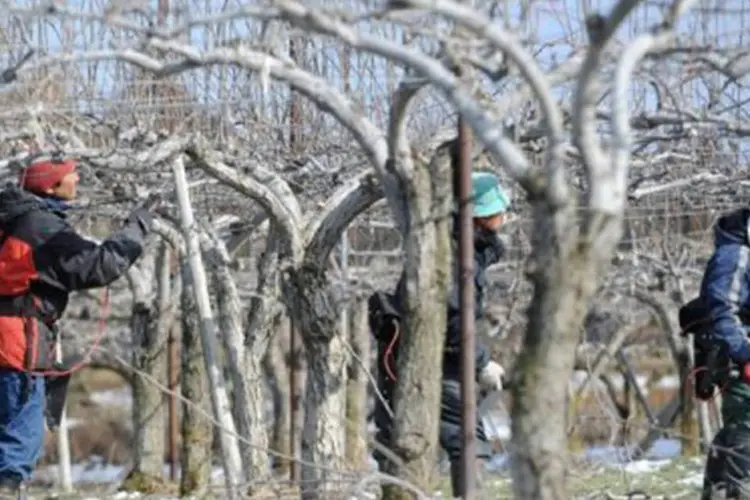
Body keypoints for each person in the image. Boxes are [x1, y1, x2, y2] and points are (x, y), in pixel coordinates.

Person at [0, 154, 156, 498]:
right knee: (17, 444)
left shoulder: (11, 216)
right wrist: (137, 228)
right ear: (52, 185)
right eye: (73, 176)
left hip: (11, 334)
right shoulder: (40, 227)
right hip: (15, 343)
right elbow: (99, 265)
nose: (79, 182)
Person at [369, 171, 509, 498]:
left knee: (405, 439)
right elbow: (457, 323)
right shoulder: (459, 258)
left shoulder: (454, 246)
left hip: (423, 357)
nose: (504, 218)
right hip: (429, 359)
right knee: (464, 436)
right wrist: (481, 364)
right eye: (499, 211)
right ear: (483, 217)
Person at [697, 207, 750, 499]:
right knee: (745, 428)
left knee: (738, 432)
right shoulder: (735, 255)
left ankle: (719, 492)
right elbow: (723, 310)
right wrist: (745, 352)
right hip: (740, 358)